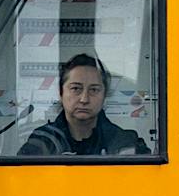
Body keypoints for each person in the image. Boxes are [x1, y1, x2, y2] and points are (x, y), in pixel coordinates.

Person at [17, 53, 151, 157]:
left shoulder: (126, 142)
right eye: (76, 89)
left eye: (94, 90)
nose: (84, 99)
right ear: (61, 92)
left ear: (104, 95)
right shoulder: (42, 142)